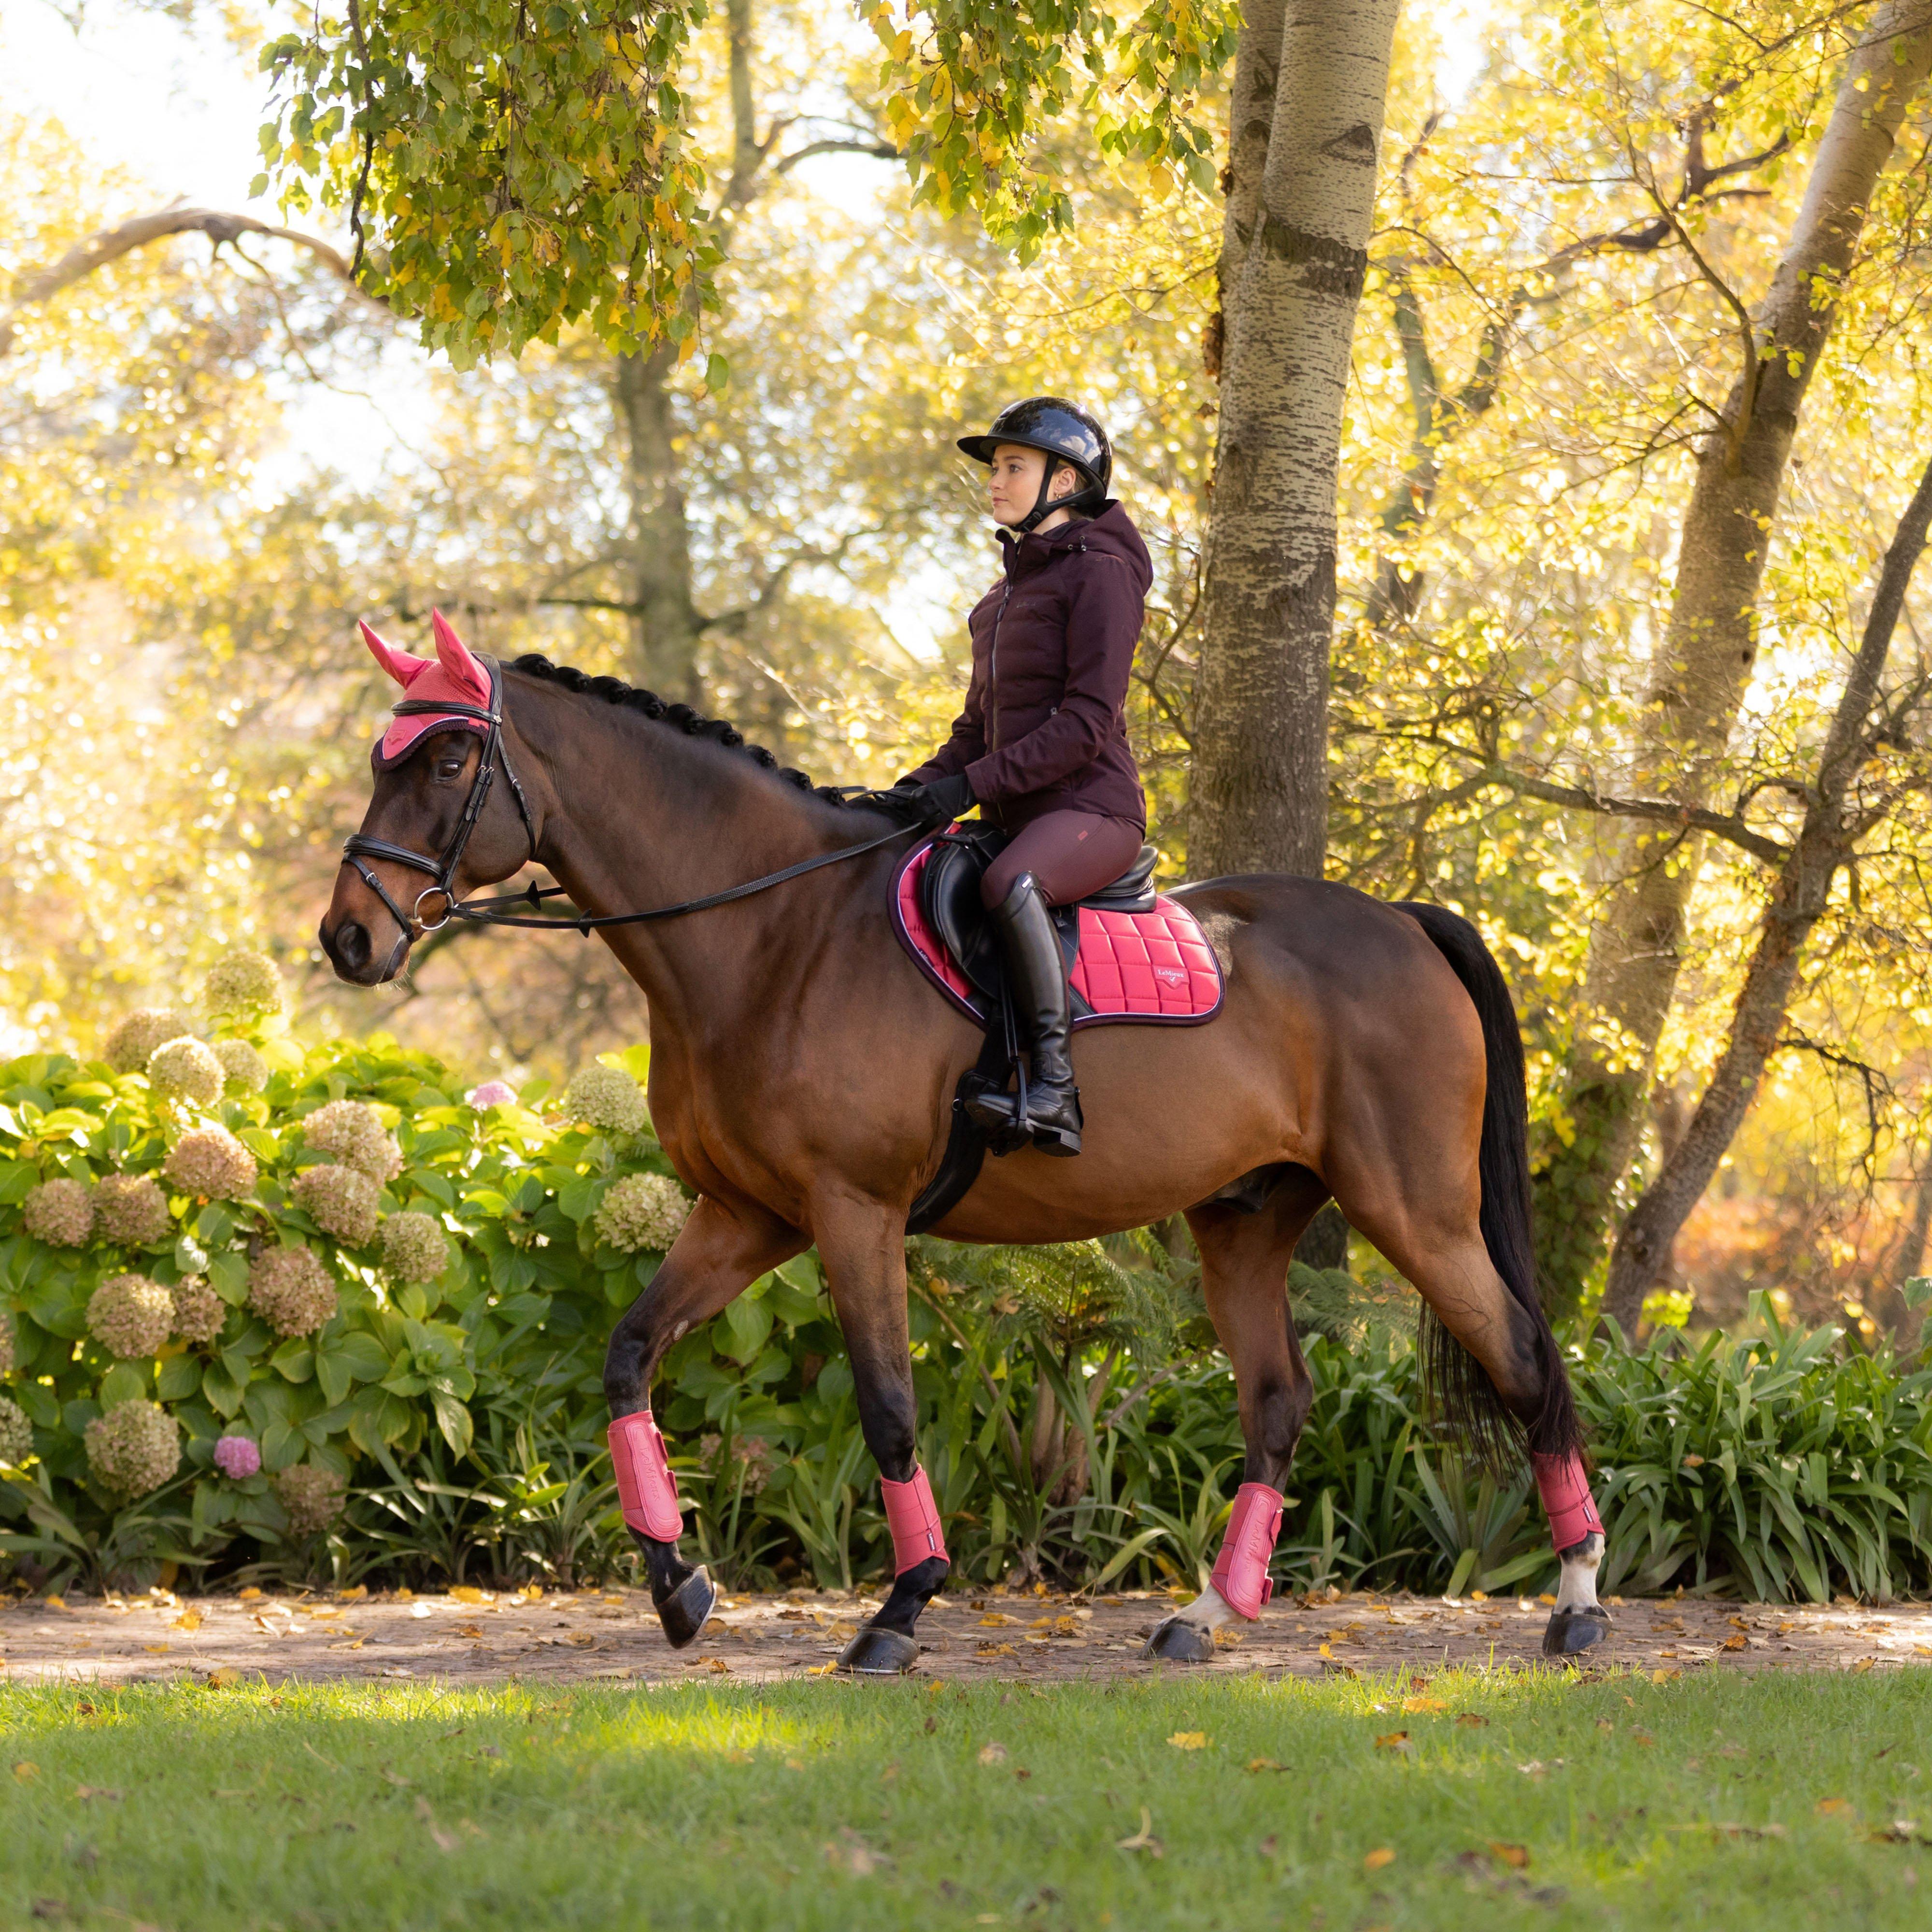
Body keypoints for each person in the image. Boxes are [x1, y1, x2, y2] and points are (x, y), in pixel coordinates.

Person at [888, 397, 1152, 1157]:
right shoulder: (998, 601)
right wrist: (908, 794)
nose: (995, 482)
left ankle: (1055, 1091)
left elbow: (1086, 723)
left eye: (1013, 467)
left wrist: (970, 788)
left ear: (1064, 481)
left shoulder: (1101, 574)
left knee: (1012, 883)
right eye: (996, 469)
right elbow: (974, 731)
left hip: (1093, 812)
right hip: (1014, 817)